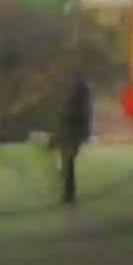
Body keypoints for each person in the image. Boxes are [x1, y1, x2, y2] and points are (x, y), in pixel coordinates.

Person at [53, 74, 95, 207]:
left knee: (68, 162)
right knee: (67, 161)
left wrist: (85, 133)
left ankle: (68, 194)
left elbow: (81, 115)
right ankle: (67, 193)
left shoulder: (78, 99)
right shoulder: (77, 98)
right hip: (69, 133)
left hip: (71, 133)